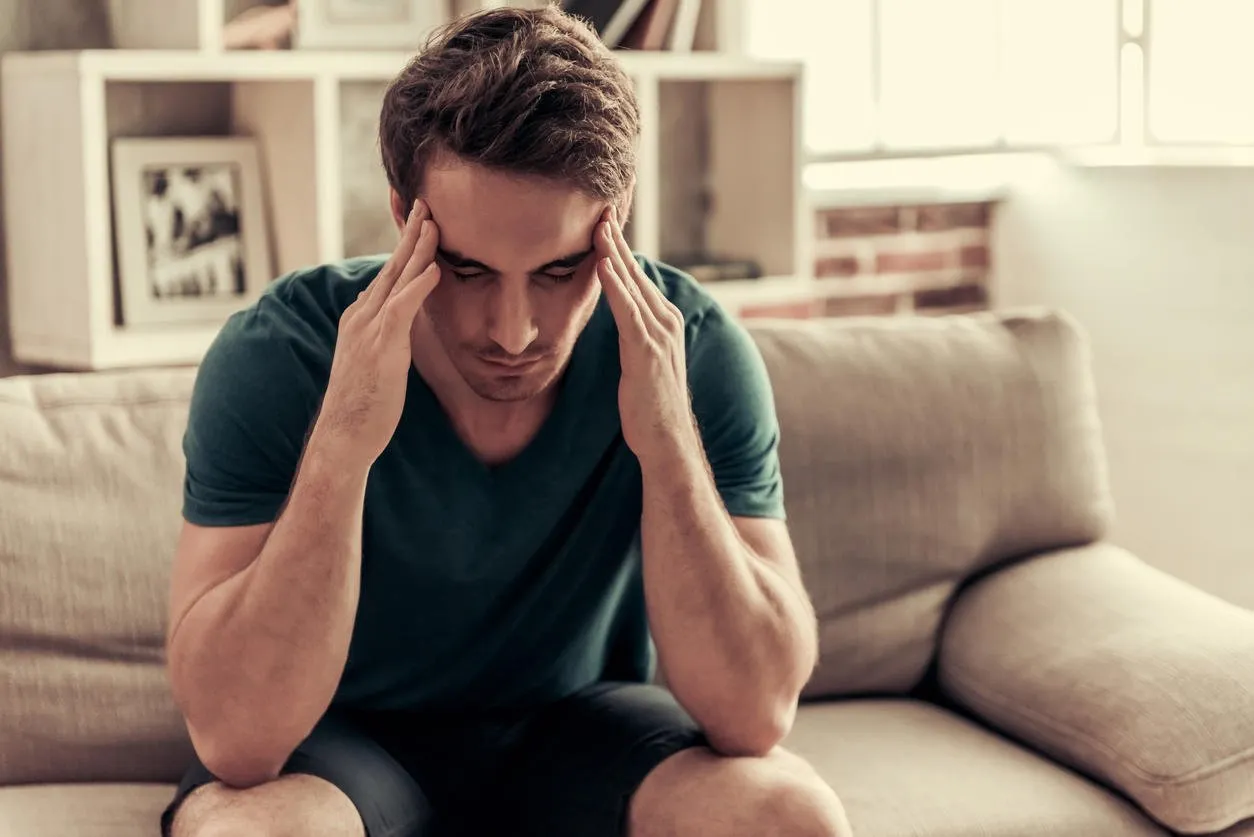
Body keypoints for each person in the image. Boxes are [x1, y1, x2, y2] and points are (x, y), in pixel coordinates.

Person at [160, 6, 851, 837]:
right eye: (468, 268)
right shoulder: (283, 352)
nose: (514, 332)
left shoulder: (690, 348)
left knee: (790, 815)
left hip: (579, 731)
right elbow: (235, 738)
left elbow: (756, 714)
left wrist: (667, 437)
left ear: (616, 217)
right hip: (339, 739)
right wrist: (344, 439)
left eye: (560, 269)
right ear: (401, 212)